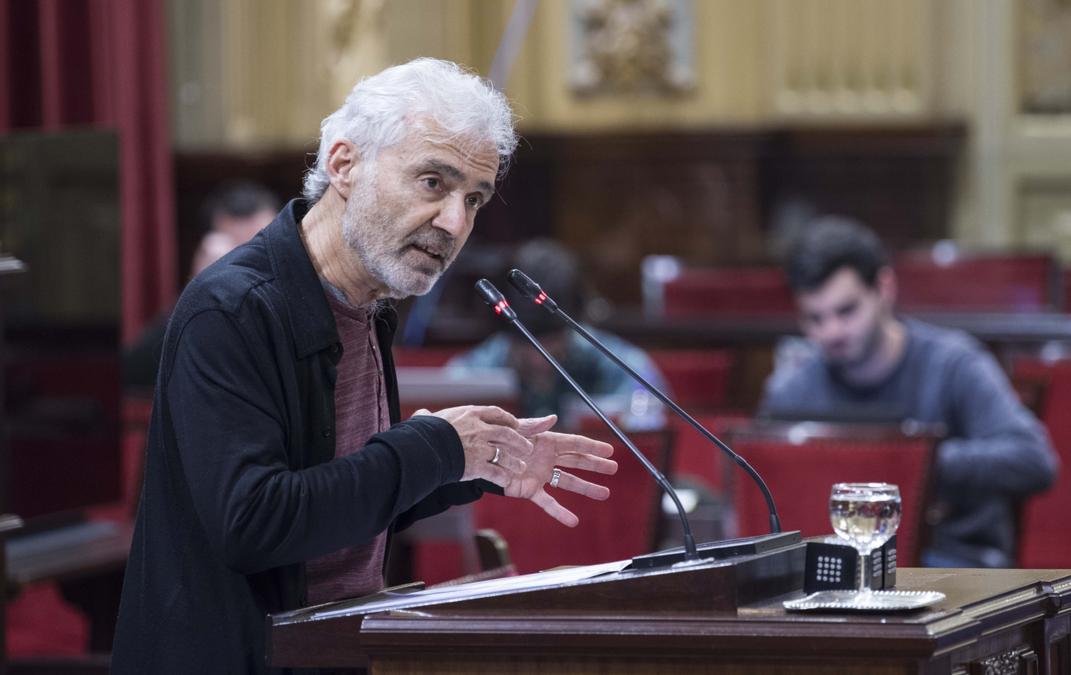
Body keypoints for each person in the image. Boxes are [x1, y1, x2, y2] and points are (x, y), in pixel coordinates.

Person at [112, 58, 618, 674]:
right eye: (434, 182)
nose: (454, 223)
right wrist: (430, 448)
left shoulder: (368, 304)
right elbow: (254, 522)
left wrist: (469, 462)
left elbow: (338, 508)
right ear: (343, 164)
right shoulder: (234, 308)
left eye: (474, 198)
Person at [758, 217, 1057, 568]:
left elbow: (1033, 460)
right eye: (815, 319)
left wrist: (916, 462)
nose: (832, 331)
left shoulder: (952, 364)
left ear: (884, 288)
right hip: (835, 568)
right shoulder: (792, 390)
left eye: (846, 311)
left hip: (951, 565)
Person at [448, 238, 670, 429]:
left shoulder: (625, 367)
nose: (538, 360)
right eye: (524, 344)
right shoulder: (470, 374)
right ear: (504, 333)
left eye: (552, 342)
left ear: (572, 326)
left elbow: (648, 421)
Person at [123, 181, 280, 389]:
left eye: (259, 248)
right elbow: (134, 370)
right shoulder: (202, 302)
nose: (251, 266)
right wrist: (200, 288)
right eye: (238, 252)